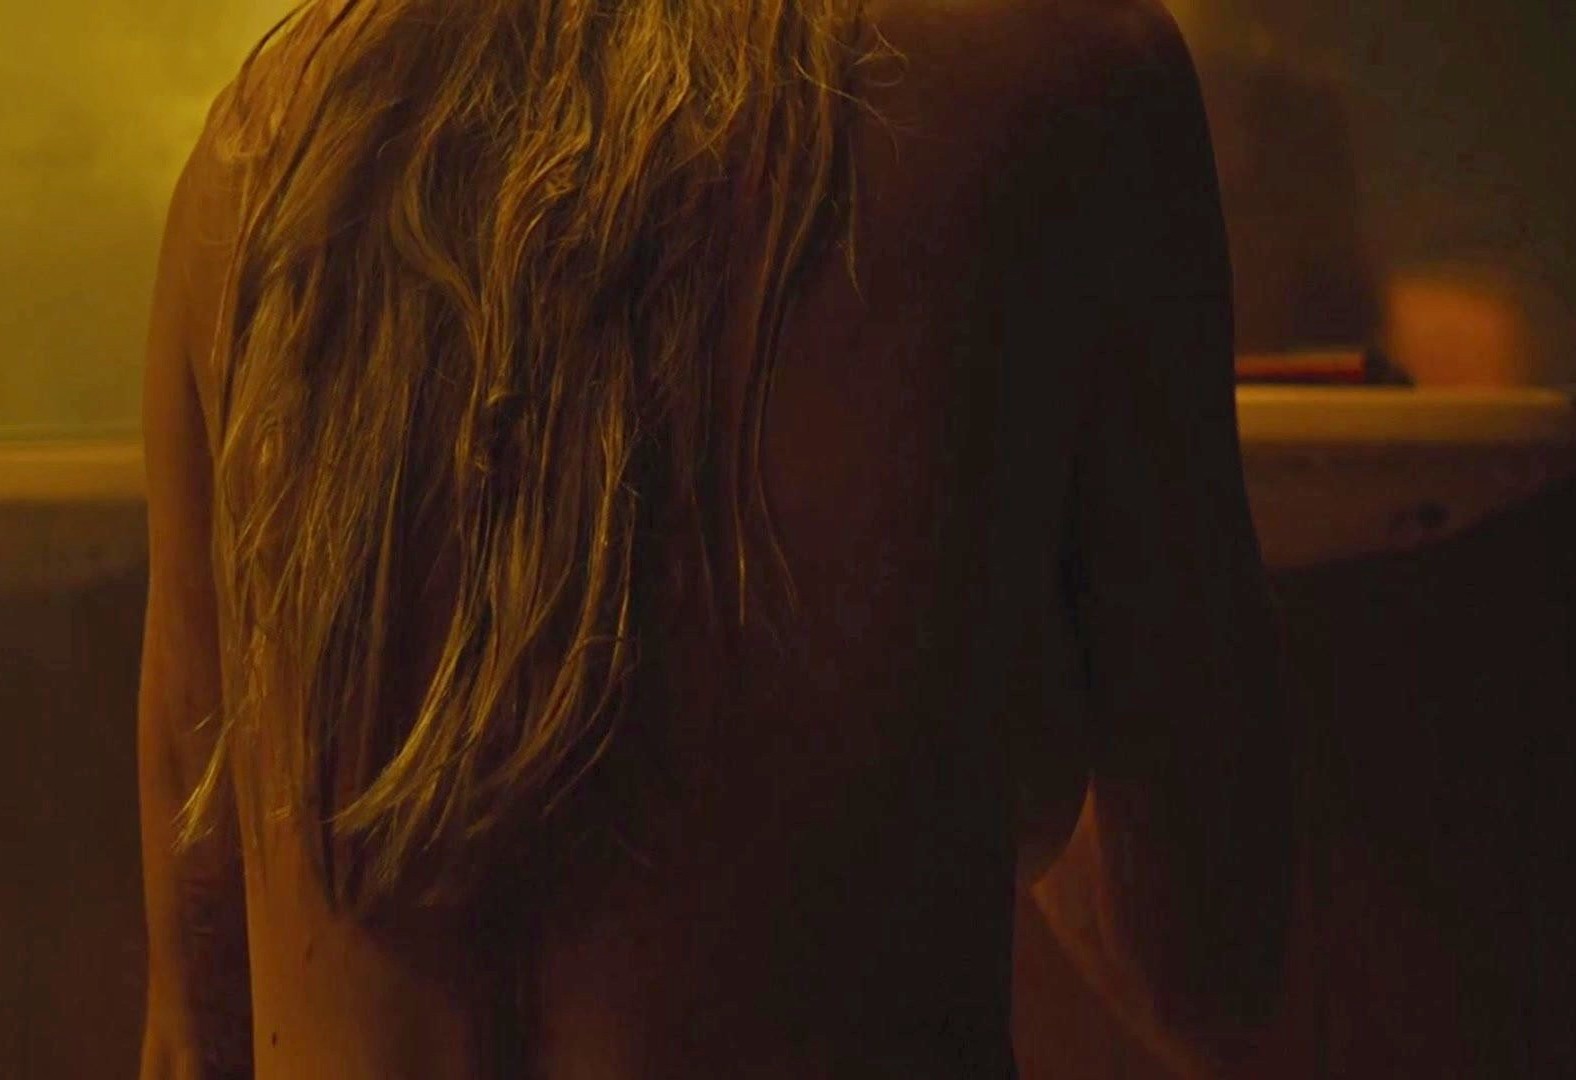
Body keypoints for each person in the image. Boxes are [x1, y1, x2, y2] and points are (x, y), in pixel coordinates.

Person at [137, 0, 1292, 1076]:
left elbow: (197, 1029)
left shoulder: (256, 157)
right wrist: (996, 652)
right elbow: (1209, 961)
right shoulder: (1066, 82)